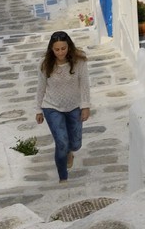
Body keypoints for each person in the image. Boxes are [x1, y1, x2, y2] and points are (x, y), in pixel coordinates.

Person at [34, 30, 91, 182]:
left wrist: (85, 106)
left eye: (63, 48)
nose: (60, 52)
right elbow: (41, 87)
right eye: (57, 49)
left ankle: (70, 152)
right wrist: (38, 109)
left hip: (74, 106)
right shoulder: (45, 64)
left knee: (76, 143)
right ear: (51, 49)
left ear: (69, 47)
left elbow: (84, 84)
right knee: (61, 143)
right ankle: (63, 178)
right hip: (52, 107)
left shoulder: (80, 61)